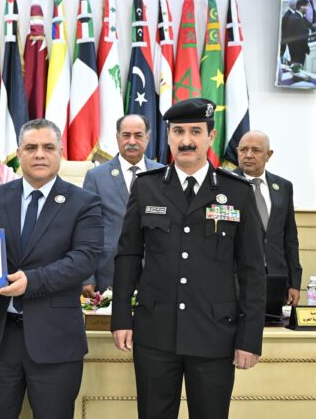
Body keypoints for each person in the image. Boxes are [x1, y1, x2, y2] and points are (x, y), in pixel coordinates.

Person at [111, 97, 266, 419]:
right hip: (155, 332)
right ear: (168, 137)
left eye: (196, 131)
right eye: (178, 132)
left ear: (211, 136)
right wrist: (122, 317)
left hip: (215, 334)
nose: (186, 141)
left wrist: (250, 337)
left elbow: (252, 269)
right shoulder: (147, 187)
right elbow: (128, 256)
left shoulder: (237, 191)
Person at [0, 118, 103, 419]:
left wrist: (32, 281)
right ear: (19, 153)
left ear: (60, 152)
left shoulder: (84, 202)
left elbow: (84, 259)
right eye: (30, 148)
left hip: (55, 339)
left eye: (48, 147)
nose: (39, 154)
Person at [82, 114, 163, 296]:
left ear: (148, 137)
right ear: (117, 137)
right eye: (126, 135)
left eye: (138, 135)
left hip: (156, 272)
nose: (132, 141)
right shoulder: (96, 177)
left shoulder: (162, 173)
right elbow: (86, 228)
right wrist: (87, 276)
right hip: (110, 271)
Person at [236, 130, 302, 306]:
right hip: (237, 278)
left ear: (268, 154)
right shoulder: (224, 184)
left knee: (273, 322)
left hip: (276, 276)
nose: (248, 155)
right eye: (243, 150)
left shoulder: (283, 186)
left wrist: (294, 283)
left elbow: (290, 238)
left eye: (255, 150)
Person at [280, 0, 312, 66]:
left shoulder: (294, 16)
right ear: (301, 7)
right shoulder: (298, 19)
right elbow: (302, 37)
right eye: (306, 6)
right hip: (298, 51)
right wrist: (307, 49)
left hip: (293, 50)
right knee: (298, 69)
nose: (308, 8)